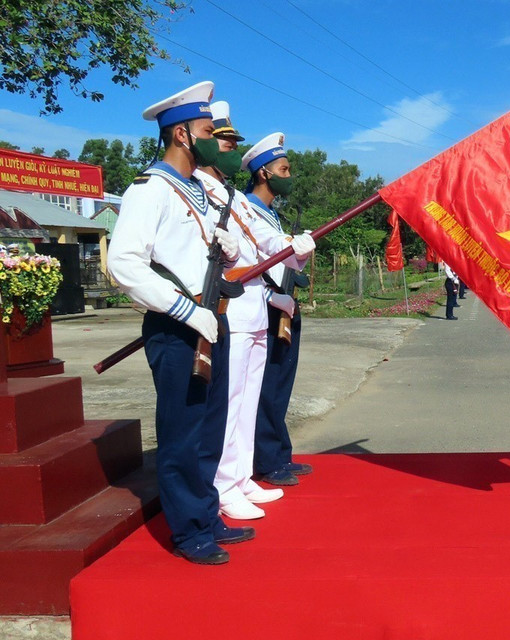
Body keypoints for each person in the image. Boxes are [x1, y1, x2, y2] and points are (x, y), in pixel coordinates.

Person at [108, 81, 250, 564]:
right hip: (179, 326)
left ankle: (207, 514)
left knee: (210, 428)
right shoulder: (149, 189)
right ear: (182, 135)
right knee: (181, 434)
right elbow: (124, 264)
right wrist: (188, 311)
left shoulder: (197, 190)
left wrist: (224, 243)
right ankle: (189, 532)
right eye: (207, 130)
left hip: (213, 319)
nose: (214, 138)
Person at [196, 105, 315, 518]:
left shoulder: (231, 197)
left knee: (247, 402)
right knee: (229, 404)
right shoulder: (201, 191)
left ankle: (241, 476)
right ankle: (223, 485)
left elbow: (267, 245)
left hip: (253, 312)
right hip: (232, 308)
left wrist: (293, 250)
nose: (227, 149)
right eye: (223, 141)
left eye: (229, 143)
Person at [243, 132, 316, 487]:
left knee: (279, 387)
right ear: (264, 174)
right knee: (266, 389)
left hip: (282, 306)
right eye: (284, 170)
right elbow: (261, 259)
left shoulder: (269, 214)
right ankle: (266, 460)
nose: (289, 176)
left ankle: (278, 453)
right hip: (265, 307)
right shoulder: (249, 211)